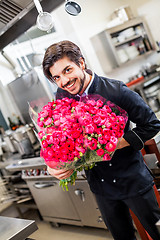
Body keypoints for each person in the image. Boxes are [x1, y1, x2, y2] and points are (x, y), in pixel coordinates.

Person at [42, 40, 160, 240]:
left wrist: (116, 143)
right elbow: (58, 137)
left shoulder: (116, 91)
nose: (64, 81)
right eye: (57, 77)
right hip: (101, 187)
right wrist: (55, 165)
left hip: (132, 180)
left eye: (68, 70)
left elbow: (152, 125)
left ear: (81, 62)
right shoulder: (61, 97)